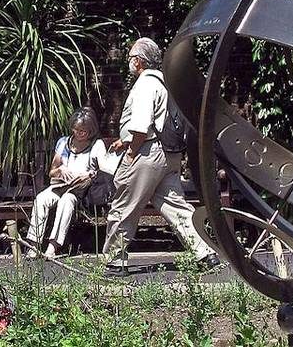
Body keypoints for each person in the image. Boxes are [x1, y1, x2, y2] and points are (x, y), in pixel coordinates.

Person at [103, 37, 218, 276]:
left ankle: (115, 261)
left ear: (139, 62)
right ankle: (205, 252)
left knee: (125, 205)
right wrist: (125, 141)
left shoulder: (145, 85)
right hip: (168, 154)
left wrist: (131, 152)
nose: (129, 62)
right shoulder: (166, 83)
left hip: (146, 153)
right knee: (176, 205)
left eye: (131, 58)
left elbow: (141, 126)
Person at [24, 107, 106, 258]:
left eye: (83, 131)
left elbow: (103, 171)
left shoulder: (97, 145)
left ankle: (53, 246)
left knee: (66, 202)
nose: (79, 134)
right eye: (76, 130)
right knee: (41, 199)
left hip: (80, 191)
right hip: (60, 185)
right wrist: (61, 171)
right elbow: (52, 172)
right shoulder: (63, 143)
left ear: (91, 130)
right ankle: (33, 245)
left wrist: (88, 174)